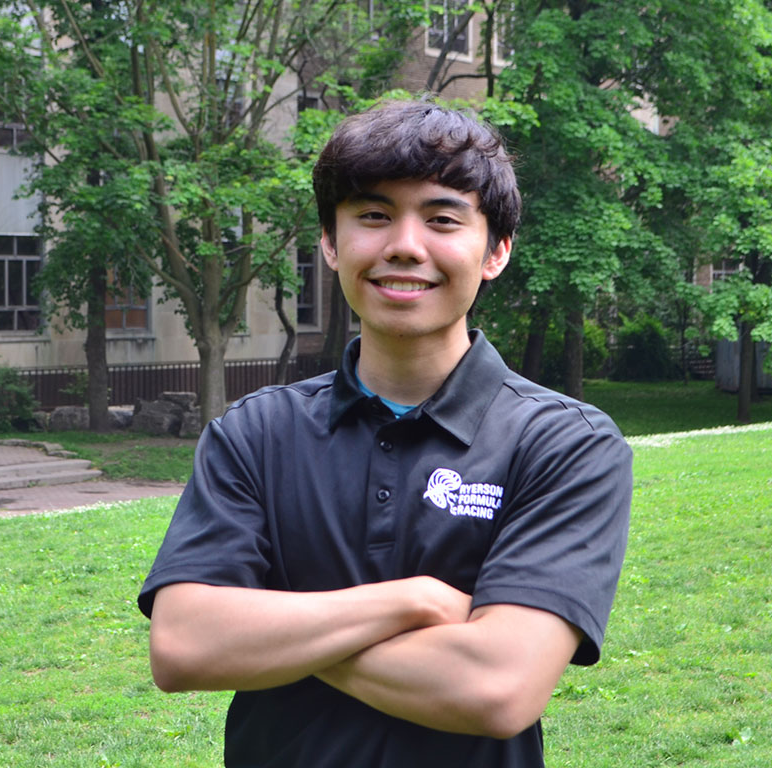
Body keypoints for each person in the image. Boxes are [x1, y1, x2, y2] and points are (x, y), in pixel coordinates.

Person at [137, 99, 632, 767]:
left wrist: (275, 631)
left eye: (442, 219)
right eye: (373, 215)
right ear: (331, 243)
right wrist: (416, 601)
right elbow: (184, 646)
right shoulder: (254, 434)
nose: (404, 244)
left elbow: (496, 687)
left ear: (497, 251)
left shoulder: (565, 444)